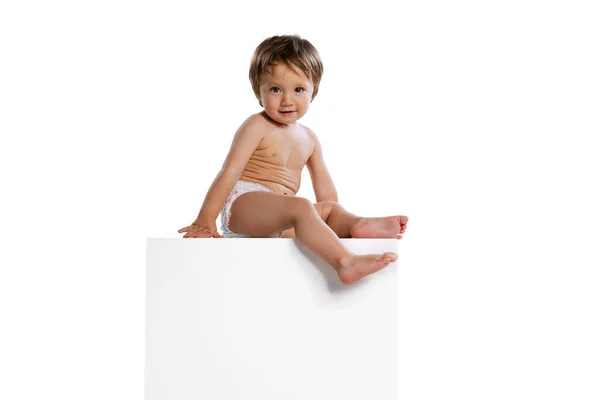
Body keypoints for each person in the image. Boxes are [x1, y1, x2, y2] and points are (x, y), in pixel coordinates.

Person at [179, 35, 408, 284]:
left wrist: (331, 220)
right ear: (259, 90)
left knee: (330, 208)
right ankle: (345, 262)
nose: (287, 100)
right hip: (244, 206)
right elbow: (229, 172)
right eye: (276, 89)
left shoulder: (309, 138)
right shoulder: (257, 125)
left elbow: (325, 190)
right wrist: (205, 219)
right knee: (301, 206)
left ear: (313, 91)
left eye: (298, 89)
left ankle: (357, 225)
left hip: (282, 219)